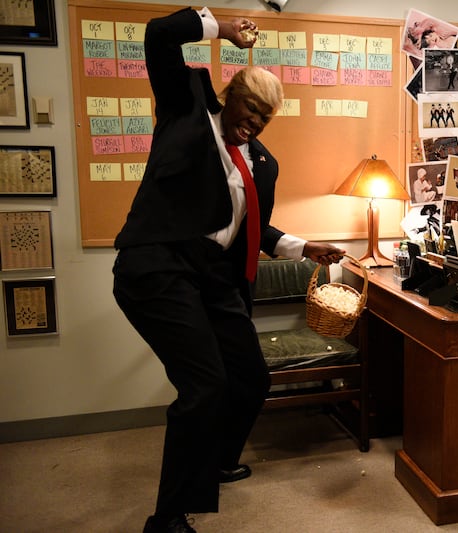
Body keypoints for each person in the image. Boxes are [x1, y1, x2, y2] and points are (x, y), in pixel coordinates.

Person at [112, 8, 346, 532]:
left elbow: (251, 228)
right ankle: (168, 518)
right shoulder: (185, 112)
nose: (256, 120)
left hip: (212, 277)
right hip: (159, 266)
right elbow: (159, 34)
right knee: (205, 385)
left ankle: (214, 458)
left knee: (250, 377)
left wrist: (306, 247)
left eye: (266, 116)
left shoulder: (262, 162)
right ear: (230, 92)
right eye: (251, 106)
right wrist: (222, 29)